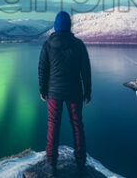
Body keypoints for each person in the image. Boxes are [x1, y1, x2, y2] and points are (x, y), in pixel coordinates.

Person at [38, 11, 92, 177]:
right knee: (77, 125)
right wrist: (87, 92)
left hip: (54, 93)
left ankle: (51, 164)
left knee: (53, 125)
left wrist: (42, 90)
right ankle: (80, 163)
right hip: (75, 92)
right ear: (69, 26)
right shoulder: (79, 44)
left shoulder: (48, 44)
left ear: (55, 25)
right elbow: (85, 70)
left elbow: (42, 69)